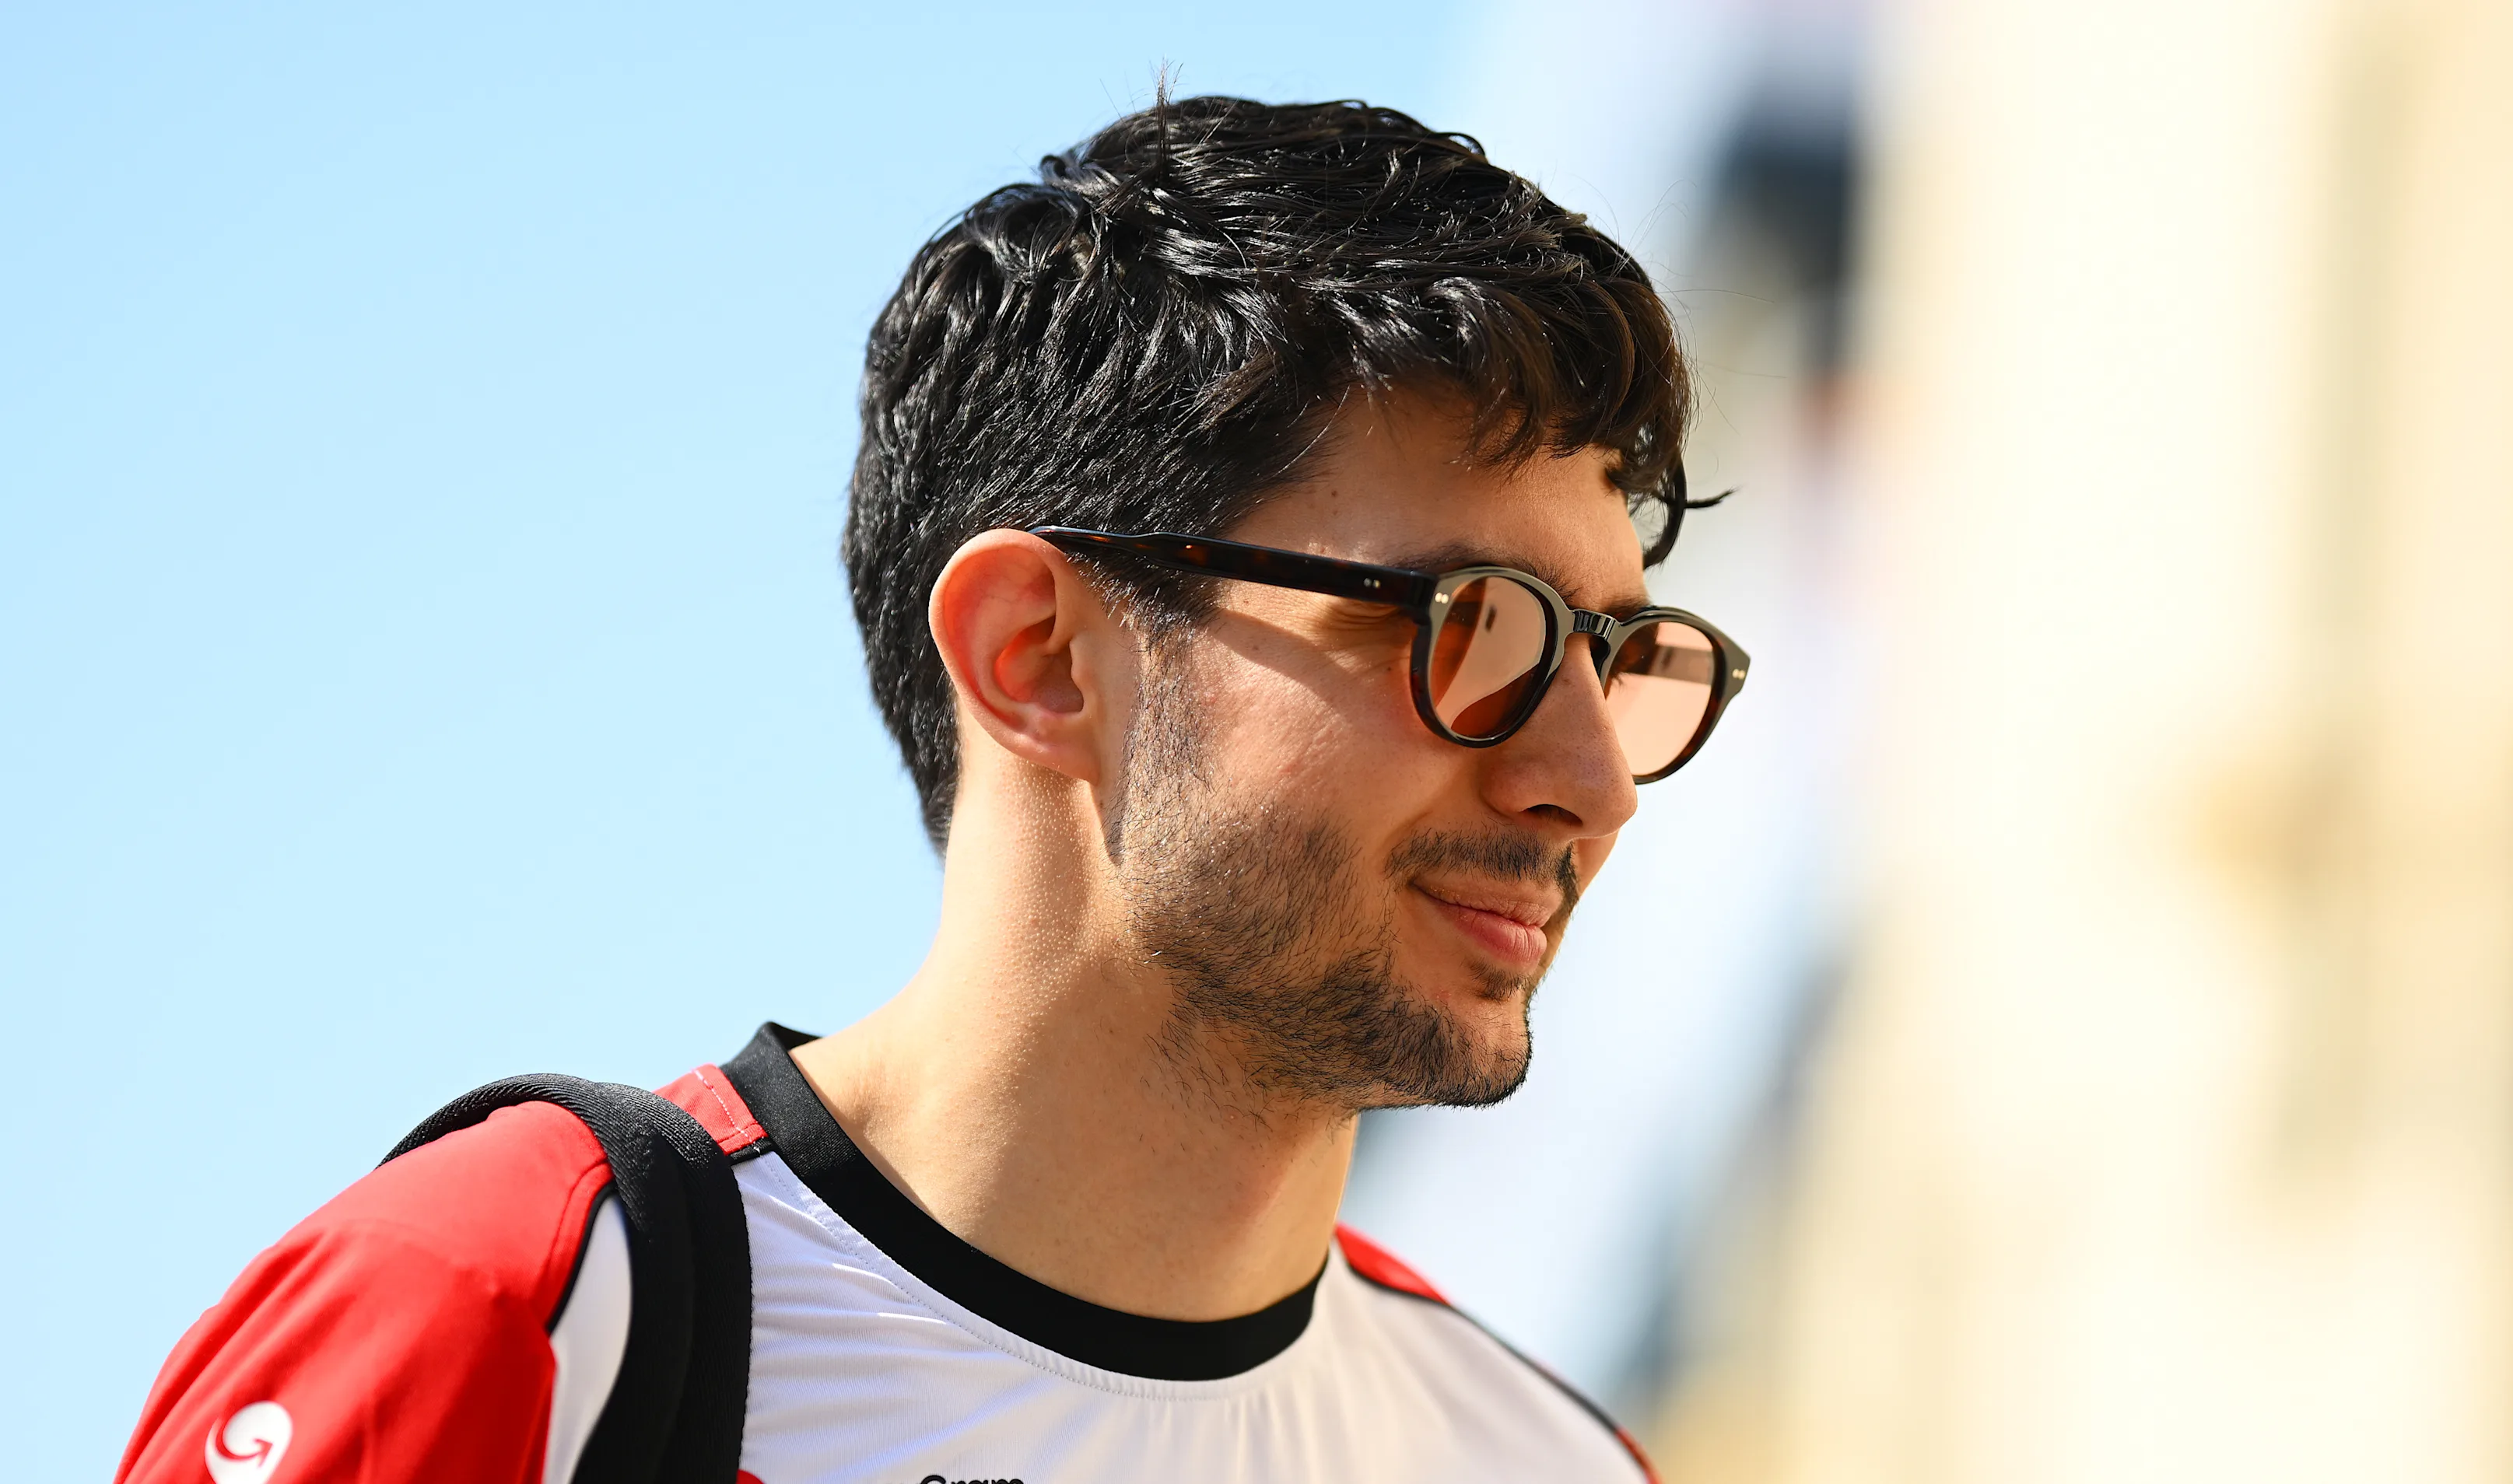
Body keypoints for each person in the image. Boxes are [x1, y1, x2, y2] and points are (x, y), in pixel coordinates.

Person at [117, 95, 1747, 1484]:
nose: (1589, 780)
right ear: (1038, 653)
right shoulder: (523, 1299)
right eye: (1476, 630)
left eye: (1620, 653)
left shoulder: (1536, 1458)